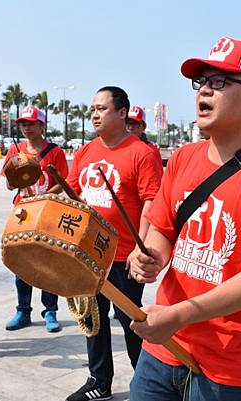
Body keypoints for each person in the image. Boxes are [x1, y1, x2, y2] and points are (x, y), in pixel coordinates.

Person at [128, 37, 241, 401]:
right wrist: (150, 257)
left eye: (221, 81)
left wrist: (180, 314)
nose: (205, 89)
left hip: (227, 364)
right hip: (163, 350)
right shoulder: (182, 158)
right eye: (202, 81)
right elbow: (163, 228)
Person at [65, 86, 163, 401]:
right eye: (92, 108)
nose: (94, 114)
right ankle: (99, 380)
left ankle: (146, 381)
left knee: (130, 320)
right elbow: (73, 190)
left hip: (123, 255)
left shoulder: (142, 152)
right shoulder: (86, 151)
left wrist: (141, 245)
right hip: (89, 253)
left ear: (122, 113)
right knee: (92, 319)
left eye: (102, 108)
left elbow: (151, 201)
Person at [2, 105, 69, 332]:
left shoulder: (55, 152)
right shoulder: (15, 150)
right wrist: (17, 179)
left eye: (31, 124)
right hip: (22, 213)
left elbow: (63, 181)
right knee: (21, 262)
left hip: (47, 213)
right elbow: (9, 183)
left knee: (48, 262)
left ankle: (50, 311)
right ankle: (23, 311)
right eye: (23, 124)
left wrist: (47, 195)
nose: (26, 128)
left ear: (42, 125)